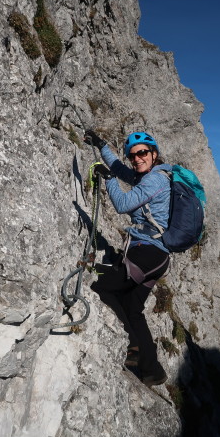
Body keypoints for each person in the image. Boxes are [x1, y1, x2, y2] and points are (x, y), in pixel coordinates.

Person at [84, 129, 171, 387]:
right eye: (133, 155)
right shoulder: (145, 176)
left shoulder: (156, 181)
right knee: (133, 309)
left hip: (148, 253)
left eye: (142, 153)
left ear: (154, 154)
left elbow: (122, 204)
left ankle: (131, 344)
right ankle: (152, 370)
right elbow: (121, 170)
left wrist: (108, 179)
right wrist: (102, 147)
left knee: (98, 281)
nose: (137, 158)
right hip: (155, 258)